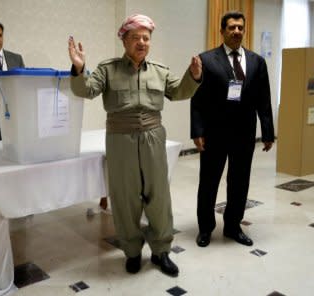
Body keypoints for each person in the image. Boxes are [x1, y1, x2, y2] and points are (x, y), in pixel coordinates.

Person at [68, 14, 202, 277]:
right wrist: (79, 68)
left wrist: (194, 77)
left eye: (146, 38)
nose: (142, 42)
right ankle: (131, 252)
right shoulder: (108, 69)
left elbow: (179, 92)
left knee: (158, 197)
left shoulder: (160, 71)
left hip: (153, 135)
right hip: (120, 139)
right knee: (125, 198)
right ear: (124, 40)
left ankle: (161, 251)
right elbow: (86, 91)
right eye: (136, 37)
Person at [190, 11, 274, 248]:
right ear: (222, 31)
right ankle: (205, 228)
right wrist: (197, 131)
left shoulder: (257, 61)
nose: (237, 31)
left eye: (240, 27)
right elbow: (197, 99)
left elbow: (263, 99)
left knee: (239, 182)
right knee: (209, 182)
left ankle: (233, 226)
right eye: (231, 28)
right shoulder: (206, 60)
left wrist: (267, 132)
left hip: (244, 134)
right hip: (214, 133)